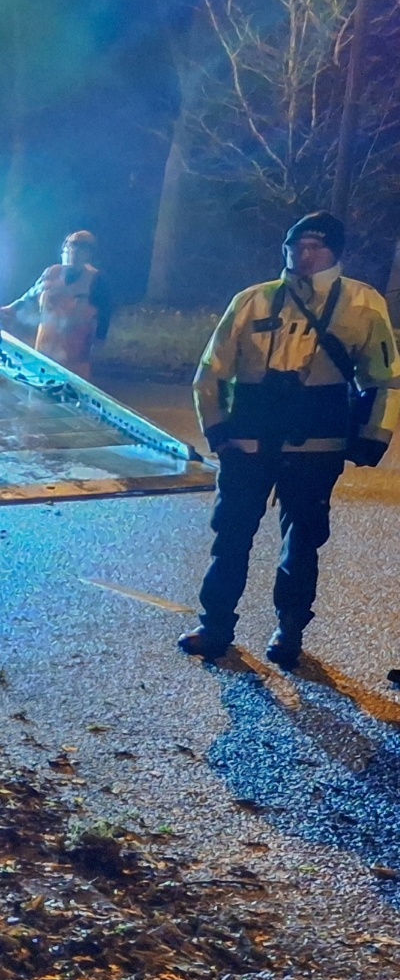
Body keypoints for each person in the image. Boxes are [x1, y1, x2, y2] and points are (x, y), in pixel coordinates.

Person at [177, 211, 396, 668]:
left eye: (315, 246)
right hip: (248, 444)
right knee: (230, 537)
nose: (303, 253)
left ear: (335, 252)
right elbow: (210, 372)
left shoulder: (361, 302)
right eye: (295, 245)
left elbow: (385, 378)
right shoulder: (253, 301)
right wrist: (218, 433)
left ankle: (289, 630)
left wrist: (370, 439)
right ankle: (214, 624)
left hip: (317, 446)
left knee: (303, 541)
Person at [1, 230, 114, 379]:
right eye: (73, 245)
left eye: (83, 247)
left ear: (90, 254)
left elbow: (105, 316)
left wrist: (98, 345)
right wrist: (8, 309)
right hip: (43, 358)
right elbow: (29, 296)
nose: (76, 251)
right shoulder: (51, 273)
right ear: (64, 249)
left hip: (75, 365)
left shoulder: (97, 281)